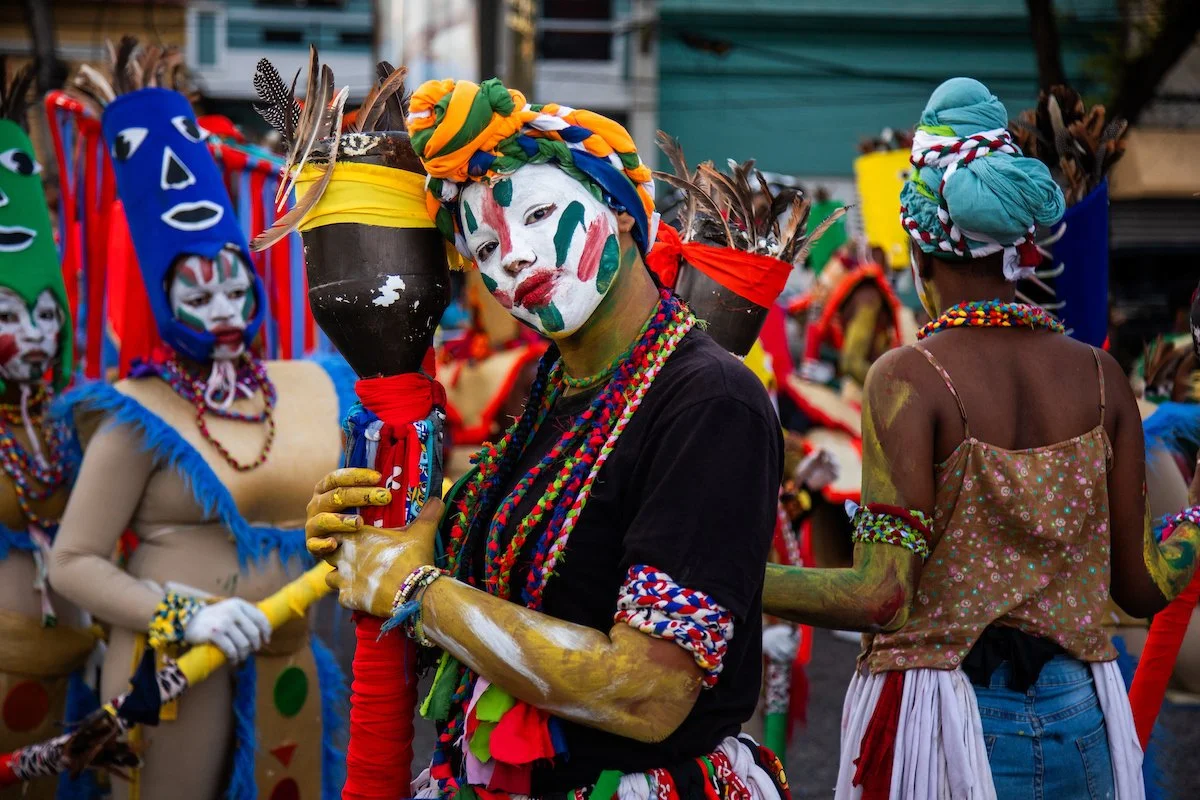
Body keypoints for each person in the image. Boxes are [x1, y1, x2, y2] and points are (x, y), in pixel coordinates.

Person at [305, 77, 788, 798]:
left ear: (621, 212)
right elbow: (518, 559)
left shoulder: (712, 404)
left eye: (538, 214)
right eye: (487, 247)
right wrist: (380, 524)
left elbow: (647, 692)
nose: (517, 260)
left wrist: (411, 586)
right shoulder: (558, 387)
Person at [762, 77, 1200, 798]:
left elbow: (880, 596)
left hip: (948, 725)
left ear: (918, 250)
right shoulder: (1100, 378)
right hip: (1085, 719)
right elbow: (1144, 586)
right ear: (1023, 252)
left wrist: (730, 580)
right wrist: (1192, 518)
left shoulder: (910, 377)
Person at [48, 41, 347, 800]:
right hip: (174, 670)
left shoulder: (305, 385)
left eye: (231, 288)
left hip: (289, 661)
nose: (221, 310)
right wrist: (189, 615)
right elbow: (74, 563)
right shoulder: (135, 413)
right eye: (197, 293)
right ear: (160, 297)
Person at [0, 63, 100, 800]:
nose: (33, 336)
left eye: (43, 316)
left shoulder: (65, 414)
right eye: (9, 317)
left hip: (71, 666)